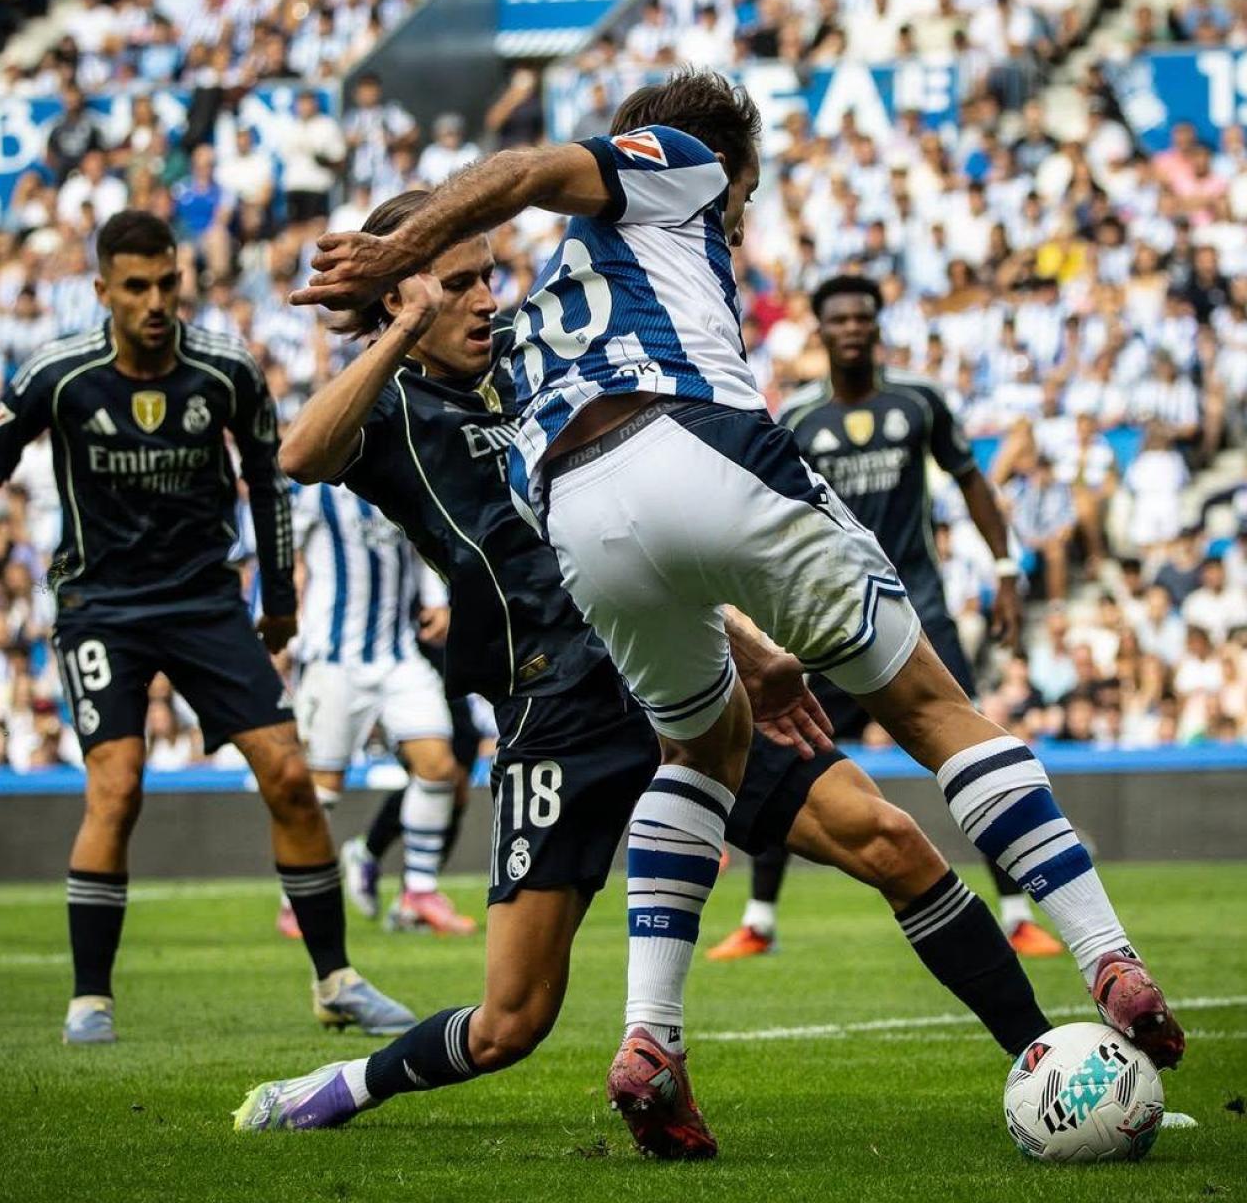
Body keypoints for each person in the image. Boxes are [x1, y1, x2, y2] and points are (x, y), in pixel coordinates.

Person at [286, 72, 1184, 1153]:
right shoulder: (395, 398)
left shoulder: (530, 345)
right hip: (554, 705)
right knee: (512, 1018)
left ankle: (1042, 1060)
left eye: (486, 277)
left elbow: (633, 507)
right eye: (457, 284)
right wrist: (398, 304)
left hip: (646, 617)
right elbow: (305, 452)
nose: (482, 298)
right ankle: (339, 1085)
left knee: (883, 837)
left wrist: (753, 644)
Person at [0, 210, 409, 1045]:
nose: (156, 301)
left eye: (167, 282)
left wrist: (278, 596)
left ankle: (337, 980)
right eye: (136, 287)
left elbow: (270, 480)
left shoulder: (225, 369)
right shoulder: (59, 375)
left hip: (206, 604)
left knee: (287, 774)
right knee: (119, 784)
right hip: (101, 607)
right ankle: (90, 1000)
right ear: (103, 291)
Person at [707, 274, 1064, 963]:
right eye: (838, 319)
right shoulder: (800, 419)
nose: (851, 329)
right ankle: (759, 920)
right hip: (825, 613)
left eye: (862, 318)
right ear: (822, 331)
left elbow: (969, 479)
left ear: (877, 326)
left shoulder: (919, 401)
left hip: (918, 608)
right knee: (792, 750)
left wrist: (1004, 571)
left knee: (968, 747)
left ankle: (1018, 912)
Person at [289, 480, 475, 935]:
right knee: (323, 788)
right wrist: (282, 619)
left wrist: (436, 601)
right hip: (334, 659)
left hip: (397, 656)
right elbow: (284, 556)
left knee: (438, 767)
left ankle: (418, 893)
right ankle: (295, 898)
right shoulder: (313, 491)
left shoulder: (397, 481)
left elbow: (419, 544)